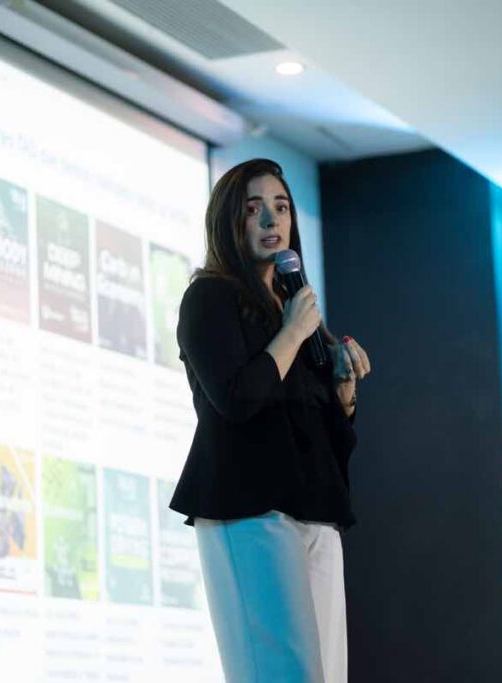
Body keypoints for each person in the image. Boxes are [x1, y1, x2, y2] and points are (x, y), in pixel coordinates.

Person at [170, 158, 371, 683]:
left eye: (281, 208)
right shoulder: (209, 298)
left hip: (315, 510)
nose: (270, 221)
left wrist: (344, 393)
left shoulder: (293, 308)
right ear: (228, 220)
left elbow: (323, 432)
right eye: (253, 209)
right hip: (249, 508)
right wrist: (293, 333)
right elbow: (237, 399)